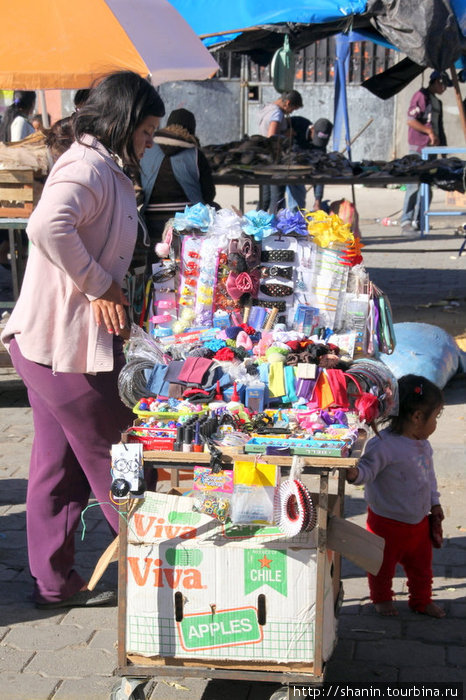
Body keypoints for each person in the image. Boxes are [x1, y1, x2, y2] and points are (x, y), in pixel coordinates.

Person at [1, 71, 165, 609]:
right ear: (121, 122)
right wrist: (98, 284)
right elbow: (47, 227)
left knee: (58, 463)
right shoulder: (86, 164)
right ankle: (163, 577)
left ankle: (53, 581)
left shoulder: (103, 164)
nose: (149, 142)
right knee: (119, 456)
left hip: (53, 347)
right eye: (145, 131)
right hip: (64, 348)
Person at [346, 374, 445, 619]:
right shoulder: (384, 444)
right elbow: (367, 472)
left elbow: (428, 477)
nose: (436, 423)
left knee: (422, 569)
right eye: (437, 416)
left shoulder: (423, 443)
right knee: (381, 566)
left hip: (418, 523)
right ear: (417, 417)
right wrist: (354, 473)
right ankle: (381, 599)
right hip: (386, 524)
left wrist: (435, 503)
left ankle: (421, 600)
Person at [138, 108, 216, 266]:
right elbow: (209, 193)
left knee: (157, 272)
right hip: (189, 224)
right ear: (191, 129)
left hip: (152, 225)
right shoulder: (194, 153)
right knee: (187, 272)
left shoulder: (146, 149)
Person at [400, 71, 451, 235]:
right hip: (418, 148)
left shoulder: (438, 102)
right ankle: (406, 221)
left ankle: (421, 220)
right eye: (443, 85)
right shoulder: (421, 96)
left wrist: (443, 148)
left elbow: (439, 127)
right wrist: (429, 133)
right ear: (436, 82)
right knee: (414, 185)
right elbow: (411, 120)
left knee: (427, 186)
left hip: (432, 151)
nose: (444, 89)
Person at [257, 89, 303, 213]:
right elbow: (272, 136)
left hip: (264, 159)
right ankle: (275, 227)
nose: (291, 112)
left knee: (264, 198)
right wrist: (286, 134)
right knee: (276, 198)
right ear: (287, 103)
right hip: (275, 161)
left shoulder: (267, 108)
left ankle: (255, 227)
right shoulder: (277, 113)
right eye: (292, 109)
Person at [287, 116, 333, 212]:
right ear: (312, 129)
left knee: (300, 206)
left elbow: (319, 174)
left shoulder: (320, 148)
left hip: (305, 167)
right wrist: (285, 132)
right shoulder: (298, 123)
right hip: (287, 165)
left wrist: (318, 200)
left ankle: (297, 217)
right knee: (293, 196)